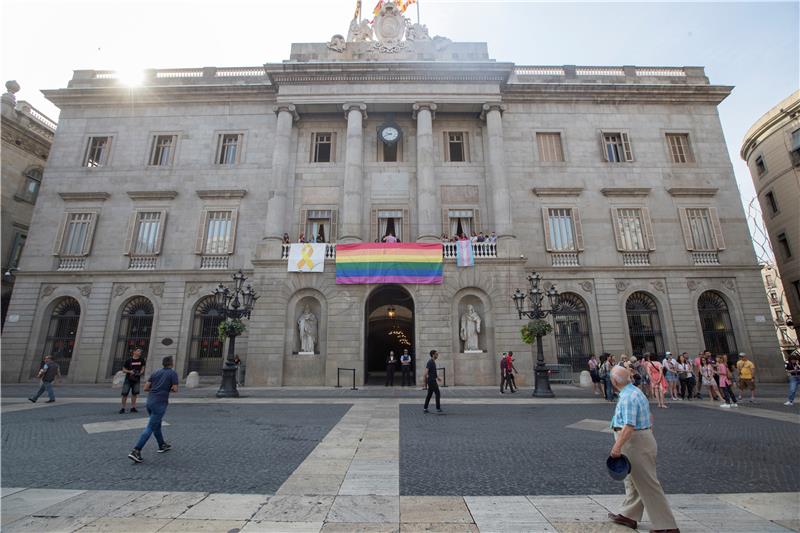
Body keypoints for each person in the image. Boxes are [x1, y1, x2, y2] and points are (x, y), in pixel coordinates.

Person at [607, 366, 679, 533]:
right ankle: (629, 515)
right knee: (633, 480)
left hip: (634, 441)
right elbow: (649, 416)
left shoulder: (627, 397)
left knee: (648, 484)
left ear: (614, 381)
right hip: (641, 438)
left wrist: (616, 447)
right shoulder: (635, 392)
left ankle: (667, 526)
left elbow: (629, 425)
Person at [128, 356, 179, 463]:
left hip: (150, 401)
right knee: (151, 426)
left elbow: (146, 388)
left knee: (156, 424)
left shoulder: (155, 372)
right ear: (171, 363)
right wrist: (165, 389)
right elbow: (175, 389)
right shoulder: (172, 373)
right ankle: (136, 450)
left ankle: (162, 444)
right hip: (160, 402)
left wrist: (156, 388)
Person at [120, 348, 147, 414]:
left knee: (135, 394)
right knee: (124, 394)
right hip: (128, 379)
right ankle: (123, 408)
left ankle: (133, 407)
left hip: (137, 379)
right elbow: (123, 370)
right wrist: (130, 371)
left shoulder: (142, 360)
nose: (140, 352)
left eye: (140, 351)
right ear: (134, 352)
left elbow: (143, 368)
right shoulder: (128, 360)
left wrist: (140, 372)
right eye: (138, 351)